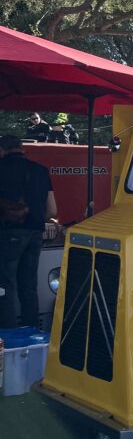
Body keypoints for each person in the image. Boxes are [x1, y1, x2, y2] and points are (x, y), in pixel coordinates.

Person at [0, 134, 57, 329]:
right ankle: (31, 333)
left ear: (2, 150)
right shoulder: (41, 171)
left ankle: (7, 339)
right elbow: (52, 211)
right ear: (21, 148)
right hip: (35, 233)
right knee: (29, 285)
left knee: (4, 286)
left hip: (8, 234)